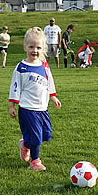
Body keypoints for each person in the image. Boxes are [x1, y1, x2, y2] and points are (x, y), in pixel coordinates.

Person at [8, 27, 61, 171]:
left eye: (38, 47)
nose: (34, 50)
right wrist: (12, 106)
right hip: (27, 109)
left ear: (43, 48)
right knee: (36, 138)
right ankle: (35, 161)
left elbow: (49, 81)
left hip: (42, 108)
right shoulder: (21, 68)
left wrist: (53, 96)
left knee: (46, 134)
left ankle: (25, 144)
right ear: (25, 47)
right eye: (31, 47)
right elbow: (15, 87)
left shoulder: (44, 65)